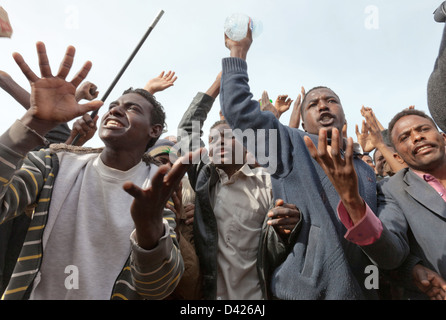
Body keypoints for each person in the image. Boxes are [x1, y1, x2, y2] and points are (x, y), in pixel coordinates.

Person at [0, 41, 190, 300]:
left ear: (154, 131)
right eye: (115, 105)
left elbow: (157, 288)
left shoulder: (156, 189)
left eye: (132, 108)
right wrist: (31, 123)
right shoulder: (53, 164)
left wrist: (150, 230)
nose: (115, 109)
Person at [220, 30, 378, 299]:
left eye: (331, 101)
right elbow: (239, 111)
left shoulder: (365, 169)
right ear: (303, 122)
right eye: (313, 104)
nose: (323, 106)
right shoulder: (289, 144)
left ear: (343, 115)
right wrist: (238, 52)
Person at [177, 72, 301, 300]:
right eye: (213, 139)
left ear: (247, 145)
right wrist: (216, 85)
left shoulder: (270, 183)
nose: (219, 142)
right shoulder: (205, 181)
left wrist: (287, 230)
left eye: (228, 135)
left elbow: (281, 242)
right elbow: (187, 130)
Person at [305, 108, 446, 300]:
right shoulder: (390, 191)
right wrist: (352, 200)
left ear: (443, 137)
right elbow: (391, 255)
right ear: (397, 157)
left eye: (423, 129)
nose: (417, 137)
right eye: (405, 137)